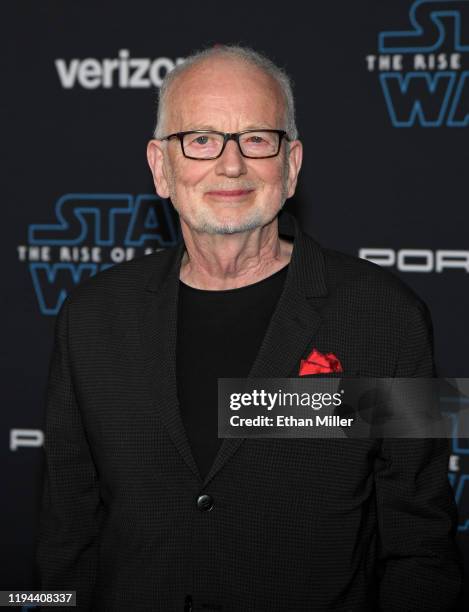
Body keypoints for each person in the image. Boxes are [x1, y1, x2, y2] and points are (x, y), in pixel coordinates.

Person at [36, 44, 462, 611]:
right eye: (201, 140)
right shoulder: (91, 318)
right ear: (161, 167)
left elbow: (421, 546)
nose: (230, 164)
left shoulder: (387, 317)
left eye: (257, 139)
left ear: (292, 165)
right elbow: (65, 537)